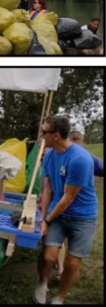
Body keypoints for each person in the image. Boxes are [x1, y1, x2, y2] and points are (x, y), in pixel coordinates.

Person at [33, 116, 98, 305]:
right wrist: (43, 218)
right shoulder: (50, 155)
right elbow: (47, 189)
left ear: (55, 135)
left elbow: (68, 198)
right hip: (58, 214)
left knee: (72, 263)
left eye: (44, 132)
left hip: (83, 217)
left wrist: (47, 220)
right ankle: (42, 283)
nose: (41, 135)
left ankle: (59, 297)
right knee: (48, 256)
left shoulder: (80, 159)